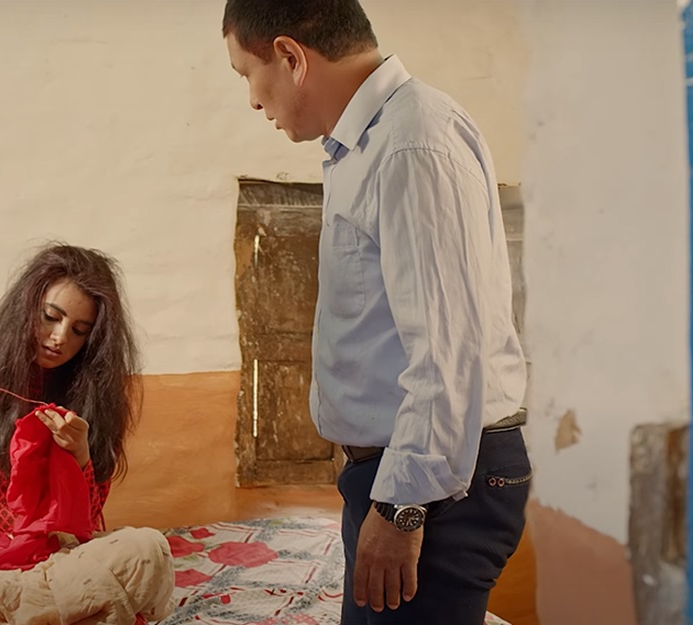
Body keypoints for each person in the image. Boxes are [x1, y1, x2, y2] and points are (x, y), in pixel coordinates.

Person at [221, 1, 531, 623]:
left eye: (247, 74)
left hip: (434, 487)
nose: (253, 100)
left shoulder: (411, 143)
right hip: (409, 474)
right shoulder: (371, 144)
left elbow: (448, 347)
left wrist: (401, 508)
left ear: (289, 56)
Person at [0, 243, 140, 535]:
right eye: (50, 317)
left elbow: (87, 518)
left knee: (144, 545)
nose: (60, 337)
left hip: (48, 547)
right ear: (24, 308)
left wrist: (80, 456)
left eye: (79, 331)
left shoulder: (96, 398)